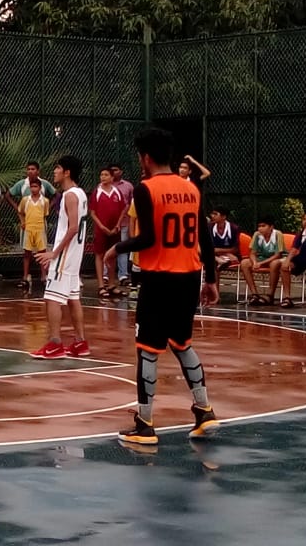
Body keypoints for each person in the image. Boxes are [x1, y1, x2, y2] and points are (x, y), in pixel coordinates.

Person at [105, 127, 221, 445]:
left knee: (148, 349)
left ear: (145, 158)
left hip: (159, 278)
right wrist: (211, 279)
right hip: (189, 276)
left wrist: (118, 248)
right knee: (182, 342)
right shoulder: (191, 188)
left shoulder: (146, 189)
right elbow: (205, 238)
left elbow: (149, 238)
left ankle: (145, 424)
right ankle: (205, 410)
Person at [30, 156, 90, 359]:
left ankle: (55, 343)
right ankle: (80, 342)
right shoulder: (81, 194)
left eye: (57, 168)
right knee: (73, 298)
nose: (54, 171)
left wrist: (54, 253)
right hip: (74, 256)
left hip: (65, 256)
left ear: (67, 172)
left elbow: (73, 228)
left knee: (51, 298)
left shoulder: (70, 196)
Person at [89, 168, 127, 298]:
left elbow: (123, 209)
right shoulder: (97, 192)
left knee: (112, 255)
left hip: (114, 229)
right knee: (100, 255)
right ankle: (101, 286)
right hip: (101, 229)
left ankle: (111, 285)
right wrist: (101, 226)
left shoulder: (117, 192)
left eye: (106, 175)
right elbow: (92, 213)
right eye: (101, 174)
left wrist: (118, 224)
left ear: (112, 177)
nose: (103, 177)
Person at [279, 211, 306, 309]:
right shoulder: (300, 234)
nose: (305, 222)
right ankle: (287, 297)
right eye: (304, 219)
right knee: (285, 267)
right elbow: (294, 249)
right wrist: (287, 261)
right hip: (303, 258)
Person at [239, 216, 285, 306]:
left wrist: (260, 263)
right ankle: (254, 294)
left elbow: (278, 255)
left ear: (271, 227)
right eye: (259, 226)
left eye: (263, 226)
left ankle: (270, 295)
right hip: (262, 258)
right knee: (244, 263)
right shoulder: (257, 235)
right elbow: (252, 253)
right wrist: (255, 262)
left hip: (276, 258)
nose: (260, 228)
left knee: (274, 264)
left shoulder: (277, 234)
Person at [17, 178, 50, 289]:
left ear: (40, 188)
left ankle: (44, 277)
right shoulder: (25, 200)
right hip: (28, 228)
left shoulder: (44, 201)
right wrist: (23, 222)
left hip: (40, 229)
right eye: (31, 186)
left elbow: (45, 214)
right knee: (27, 253)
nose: (33, 189)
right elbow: (20, 212)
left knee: (42, 252)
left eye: (35, 186)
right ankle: (25, 277)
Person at [108, 164, 135, 289]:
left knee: (122, 248)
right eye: (112, 170)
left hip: (124, 222)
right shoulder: (104, 186)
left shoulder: (128, 186)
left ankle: (123, 275)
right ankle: (106, 275)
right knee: (107, 248)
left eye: (116, 170)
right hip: (108, 223)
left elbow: (131, 203)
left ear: (121, 171)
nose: (114, 172)